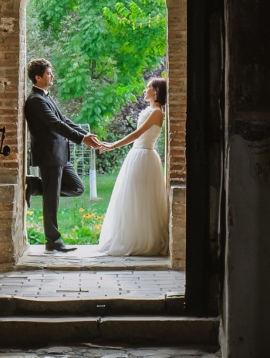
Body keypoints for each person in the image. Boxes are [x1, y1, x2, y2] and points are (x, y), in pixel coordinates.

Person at [23, 58, 102, 252]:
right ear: (38, 77)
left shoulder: (46, 97)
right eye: (49, 73)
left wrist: (85, 135)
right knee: (51, 200)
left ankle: (34, 185)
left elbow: (64, 119)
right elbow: (55, 125)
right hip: (49, 155)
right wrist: (82, 140)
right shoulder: (35, 101)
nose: (52, 76)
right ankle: (53, 241)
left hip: (60, 154)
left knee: (77, 187)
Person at [97, 78, 169, 257]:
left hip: (144, 156)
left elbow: (137, 134)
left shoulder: (157, 113)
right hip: (137, 155)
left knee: (143, 199)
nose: (145, 90)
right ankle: (132, 237)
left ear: (157, 92)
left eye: (148, 88)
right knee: (132, 198)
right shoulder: (150, 110)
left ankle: (144, 240)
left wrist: (113, 145)